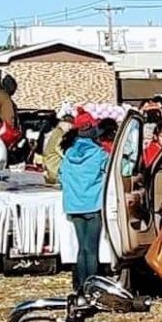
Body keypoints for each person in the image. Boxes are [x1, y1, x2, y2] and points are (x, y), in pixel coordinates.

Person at [59, 111, 109, 292]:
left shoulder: (69, 154)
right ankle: (92, 288)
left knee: (82, 248)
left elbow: (61, 177)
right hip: (93, 204)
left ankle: (79, 287)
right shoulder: (100, 154)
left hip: (73, 205)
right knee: (92, 249)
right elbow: (120, 171)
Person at [42, 101, 75, 184]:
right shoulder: (59, 132)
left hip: (50, 164)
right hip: (54, 165)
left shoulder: (56, 131)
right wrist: (68, 157)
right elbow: (58, 147)